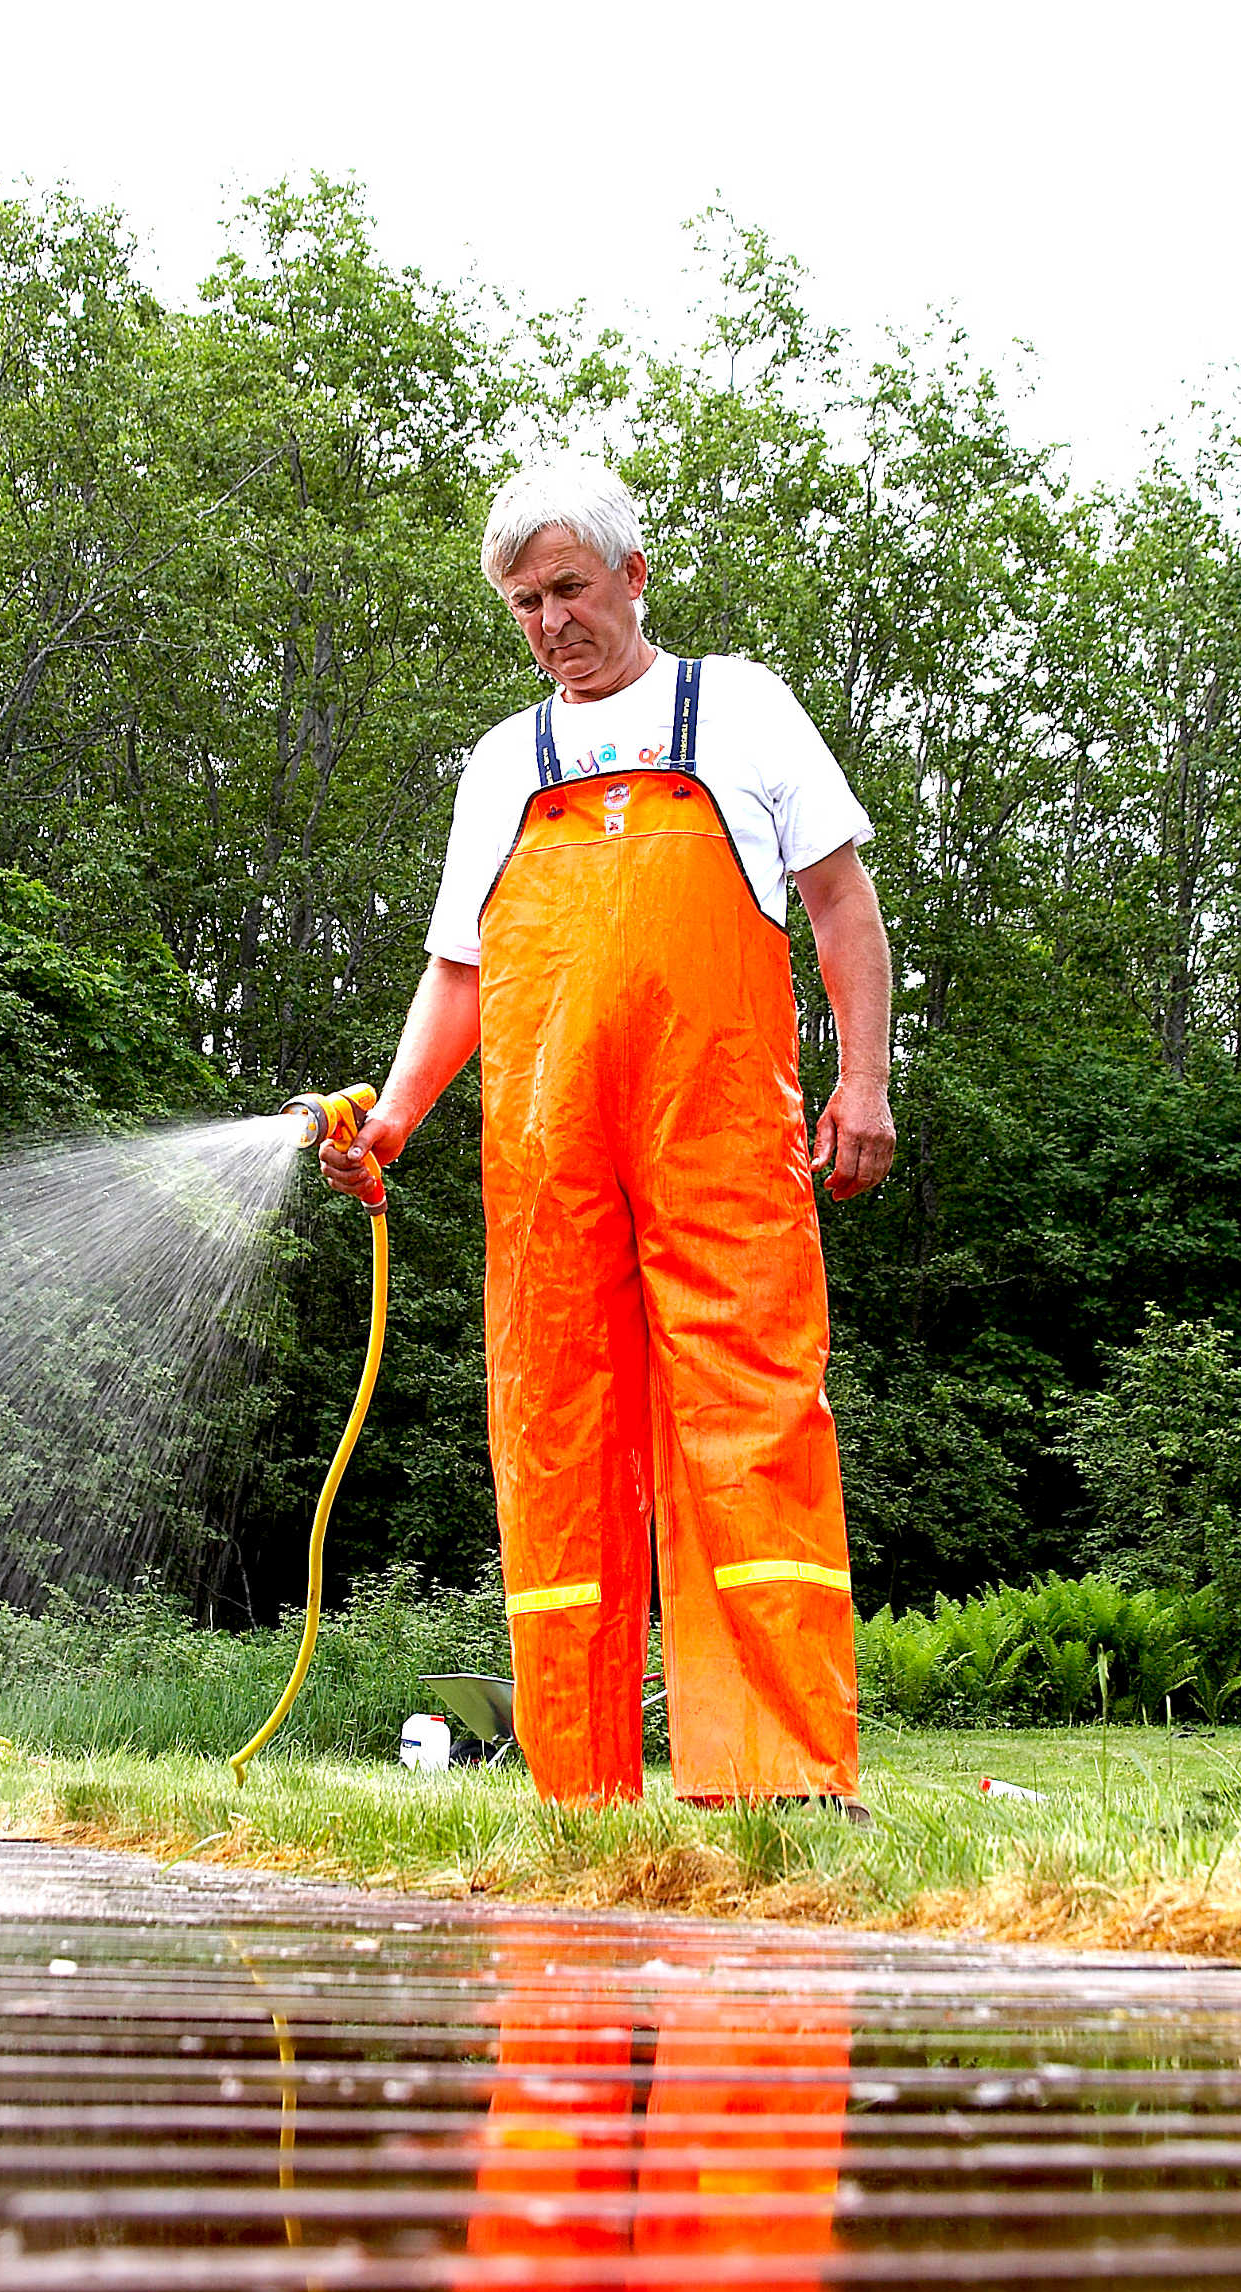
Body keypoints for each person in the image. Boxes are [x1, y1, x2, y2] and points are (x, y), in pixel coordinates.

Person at [322, 455, 895, 1809]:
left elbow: (839, 901)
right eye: (524, 601)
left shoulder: (738, 709)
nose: (549, 620)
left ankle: (779, 1783)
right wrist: (395, 1116)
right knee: (552, 1439)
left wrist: (862, 1081)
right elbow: (458, 970)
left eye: (569, 587)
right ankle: (575, 1792)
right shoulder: (502, 762)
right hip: (544, 1163)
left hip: (720, 1143)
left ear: (633, 576)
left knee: (749, 1423)